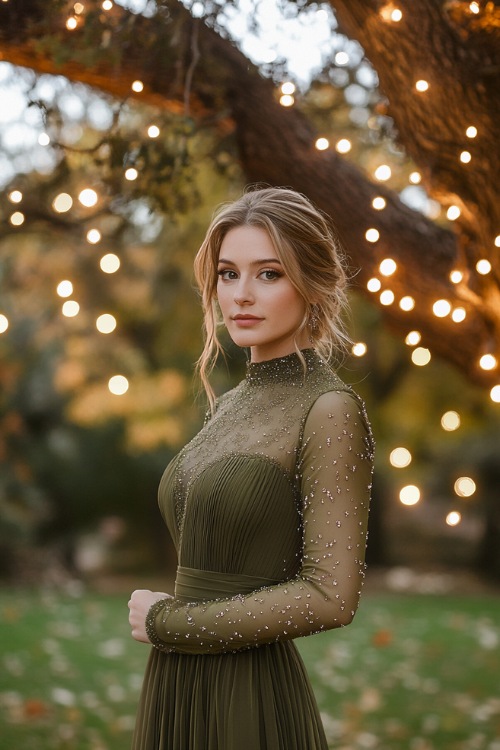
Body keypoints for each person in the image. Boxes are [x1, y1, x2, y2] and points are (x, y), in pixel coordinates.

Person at [128, 186, 374, 749]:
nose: (240, 295)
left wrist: (169, 623)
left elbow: (331, 596)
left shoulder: (330, 409)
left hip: (248, 690)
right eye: (227, 274)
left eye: (268, 274)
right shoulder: (234, 401)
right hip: (175, 680)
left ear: (312, 283)